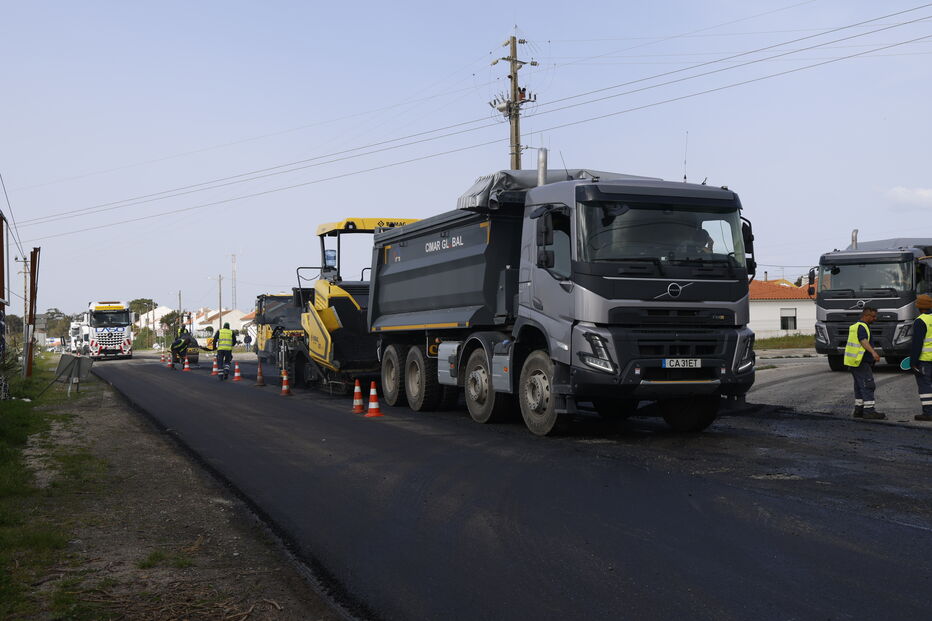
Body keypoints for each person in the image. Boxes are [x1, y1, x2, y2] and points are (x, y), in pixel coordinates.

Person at [844, 306, 885, 420]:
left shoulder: (855, 326)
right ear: (866, 315)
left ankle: (859, 410)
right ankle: (869, 411)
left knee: (859, 386)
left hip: (854, 361)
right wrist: (873, 353)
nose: (875, 318)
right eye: (873, 316)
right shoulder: (862, 327)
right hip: (861, 361)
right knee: (868, 385)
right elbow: (863, 341)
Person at [909, 294, 932, 422]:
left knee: (925, 386)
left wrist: (913, 362)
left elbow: (917, 344)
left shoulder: (920, 321)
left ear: (919, 307)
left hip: (925, 360)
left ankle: (928, 413)